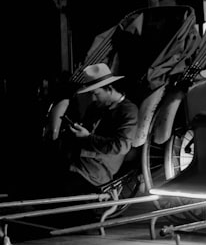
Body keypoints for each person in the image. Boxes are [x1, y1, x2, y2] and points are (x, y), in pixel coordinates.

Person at [38, 63, 139, 197]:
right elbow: (85, 133)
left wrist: (87, 137)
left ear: (109, 88)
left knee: (58, 190)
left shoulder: (128, 110)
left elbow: (121, 146)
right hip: (76, 162)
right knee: (41, 180)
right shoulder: (95, 107)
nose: (93, 98)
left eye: (96, 93)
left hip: (96, 170)